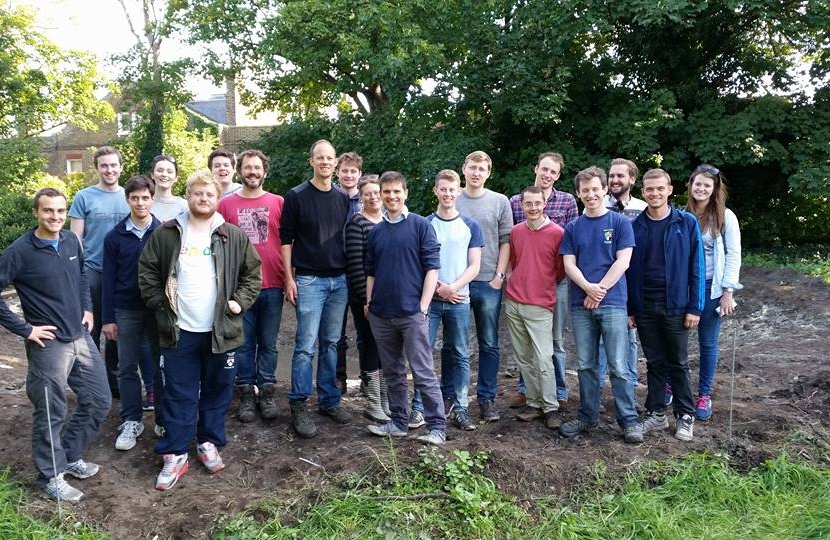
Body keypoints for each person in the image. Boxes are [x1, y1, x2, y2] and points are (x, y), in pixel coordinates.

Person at [139, 169, 261, 490]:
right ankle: (176, 453)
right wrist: (160, 304)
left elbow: (253, 274)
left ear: (217, 199)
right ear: (188, 196)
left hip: (221, 331)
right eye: (197, 193)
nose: (203, 199)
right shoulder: (168, 233)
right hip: (178, 331)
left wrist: (239, 302)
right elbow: (147, 272)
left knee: (218, 389)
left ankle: (208, 441)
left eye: (209, 194)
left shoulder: (232, 235)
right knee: (178, 393)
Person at [0, 188, 111, 502]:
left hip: (80, 337)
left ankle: (71, 455)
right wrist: (25, 329)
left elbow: (81, 275)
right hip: (48, 345)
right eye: (48, 211)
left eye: (61, 211)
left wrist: (87, 308)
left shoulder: (71, 240)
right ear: (36, 212)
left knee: (99, 399)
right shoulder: (20, 251)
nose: (56, 217)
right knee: (51, 411)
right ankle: (51, 476)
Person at [556, 167, 642, 443]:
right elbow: (568, 264)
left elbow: (623, 261)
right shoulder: (573, 227)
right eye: (585, 190)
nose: (590, 194)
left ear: (604, 190)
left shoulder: (620, 223)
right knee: (586, 365)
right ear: (579, 194)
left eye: (595, 189)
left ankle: (628, 420)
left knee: (618, 365)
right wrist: (588, 289)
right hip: (582, 305)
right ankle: (587, 417)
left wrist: (600, 290)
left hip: (614, 303)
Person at [364, 171, 446, 445]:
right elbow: (371, 272)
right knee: (393, 372)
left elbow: (432, 268)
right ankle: (399, 422)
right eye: (386, 192)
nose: (391, 196)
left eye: (396, 191)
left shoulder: (421, 226)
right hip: (381, 314)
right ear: (381, 195)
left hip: (412, 313)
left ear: (405, 193)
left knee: (422, 371)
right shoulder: (375, 232)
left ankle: (437, 427)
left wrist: (423, 307)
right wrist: (369, 303)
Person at [280, 139, 351, 438]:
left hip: (340, 280)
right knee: (305, 347)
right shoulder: (296, 196)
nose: (325, 162)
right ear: (311, 161)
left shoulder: (342, 197)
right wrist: (289, 278)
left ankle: (329, 400)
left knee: (331, 343)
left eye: (330, 158)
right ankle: (298, 404)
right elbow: (286, 241)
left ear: (335, 164)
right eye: (320, 158)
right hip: (309, 280)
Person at [627, 168, 704, 442]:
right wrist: (631, 309)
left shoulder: (686, 223)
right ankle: (656, 413)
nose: (655, 193)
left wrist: (696, 307)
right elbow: (629, 271)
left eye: (660, 188)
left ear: (670, 190)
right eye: (649, 189)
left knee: (678, 363)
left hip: (677, 306)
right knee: (655, 362)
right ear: (643, 192)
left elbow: (697, 267)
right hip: (645, 306)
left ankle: (685, 415)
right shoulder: (635, 226)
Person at [410, 170, 483, 431]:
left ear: (459, 192)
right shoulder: (424, 224)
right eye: (443, 189)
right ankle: (419, 408)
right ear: (436, 191)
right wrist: (440, 288)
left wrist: (453, 287)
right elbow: (419, 263)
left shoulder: (471, 226)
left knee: (461, 354)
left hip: (459, 300)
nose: (448, 194)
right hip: (430, 299)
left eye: (452, 190)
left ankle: (460, 408)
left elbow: (474, 265)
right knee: (423, 353)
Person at [218, 149, 285, 423]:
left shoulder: (279, 202)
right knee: (243, 344)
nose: (253, 172)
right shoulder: (225, 205)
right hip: (239, 289)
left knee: (268, 343)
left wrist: (290, 278)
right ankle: (246, 392)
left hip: (272, 283)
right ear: (240, 171)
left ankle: (266, 391)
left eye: (257, 168)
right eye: (248, 168)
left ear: (264, 172)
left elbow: (288, 243)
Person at [509, 152, 578, 412]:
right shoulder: (516, 202)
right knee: (526, 347)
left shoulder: (567, 201)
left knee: (553, 344)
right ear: (536, 168)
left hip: (553, 282)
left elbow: (569, 245)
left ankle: (557, 392)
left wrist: (552, 279)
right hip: (526, 281)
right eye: (544, 169)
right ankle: (528, 392)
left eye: (553, 171)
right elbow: (516, 246)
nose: (547, 174)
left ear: (558, 175)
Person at [102, 175, 163, 451]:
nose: (140, 202)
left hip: (157, 309)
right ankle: (131, 419)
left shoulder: (164, 232)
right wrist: (108, 318)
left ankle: (163, 417)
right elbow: (108, 280)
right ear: (127, 199)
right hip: (125, 309)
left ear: (152, 199)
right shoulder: (115, 236)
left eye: (145, 197)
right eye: (135, 197)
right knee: (127, 366)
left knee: (161, 365)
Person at [454, 150, 512, 422]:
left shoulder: (499, 202)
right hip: (459, 284)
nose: (476, 172)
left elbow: (506, 241)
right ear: (464, 168)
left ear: (489, 173)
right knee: (457, 345)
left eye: (482, 168)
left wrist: (499, 275)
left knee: (489, 343)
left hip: (489, 281)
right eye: (472, 167)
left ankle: (487, 399)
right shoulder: (453, 197)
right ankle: (455, 397)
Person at [69, 145, 129, 397]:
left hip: (122, 274)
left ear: (121, 167)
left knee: (116, 330)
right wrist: (76, 272)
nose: (109, 169)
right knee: (89, 330)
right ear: (97, 168)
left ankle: (114, 384)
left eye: (113, 165)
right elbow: (75, 238)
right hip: (92, 270)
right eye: (104, 165)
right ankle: (90, 383)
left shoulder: (129, 196)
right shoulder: (84, 196)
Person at [683, 164, 742, 421]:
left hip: (711, 287)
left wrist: (728, 291)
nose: (702, 188)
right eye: (698, 183)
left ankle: (703, 394)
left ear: (714, 188)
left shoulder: (725, 217)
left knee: (707, 342)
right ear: (691, 185)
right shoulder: (681, 214)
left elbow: (733, 255)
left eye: (707, 185)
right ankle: (673, 386)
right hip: (683, 288)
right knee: (677, 341)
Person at [504, 186, 565, 430]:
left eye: (537, 203)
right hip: (514, 302)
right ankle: (533, 402)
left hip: (540, 304)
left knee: (543, 358)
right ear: (521, 206)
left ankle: (550, 406)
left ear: (544, 204)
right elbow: (516, 261)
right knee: (524, 358)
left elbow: (560, 270)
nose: (533, 208)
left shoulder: (557, 233)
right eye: (528, 204)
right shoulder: (516, 231)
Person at [597, 158, 648, 406]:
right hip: (599, 283)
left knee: (629, 340)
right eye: (612, 175)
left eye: (620, 176)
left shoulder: (642, 208)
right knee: (598, 343)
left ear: (632, 180)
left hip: (630, 283)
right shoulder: (597, 204)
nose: (615, 180)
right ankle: (594, 394)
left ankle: (628, 394)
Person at [345, 175, 390, 422]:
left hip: (388, 296)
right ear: (361, 197)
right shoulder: (357, 223)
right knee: (371, 344)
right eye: (368, 193)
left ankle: (384, 400)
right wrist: (366, 300)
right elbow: (355, 266)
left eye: (377, 192)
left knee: (385, 345)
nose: (374, 197)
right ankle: (373, 402)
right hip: (365, 298)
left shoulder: (389, 220)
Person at [335, 152, 364, 394]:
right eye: (345, 170)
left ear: (359, 174)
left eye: (353, 171)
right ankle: (339, 378)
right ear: (337, 172)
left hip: (362, 272)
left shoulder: (367, 199)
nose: (348, 175)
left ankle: (368, 378)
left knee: (366, 328)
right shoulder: (331, 197)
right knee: (337, 331)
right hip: (334, 269)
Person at [150, 154, 187, 221]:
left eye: (169, 172)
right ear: (152, 175)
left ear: (176, 178)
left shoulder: (185, 207)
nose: (164, 174)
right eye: (160, 170)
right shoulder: (143, 203)